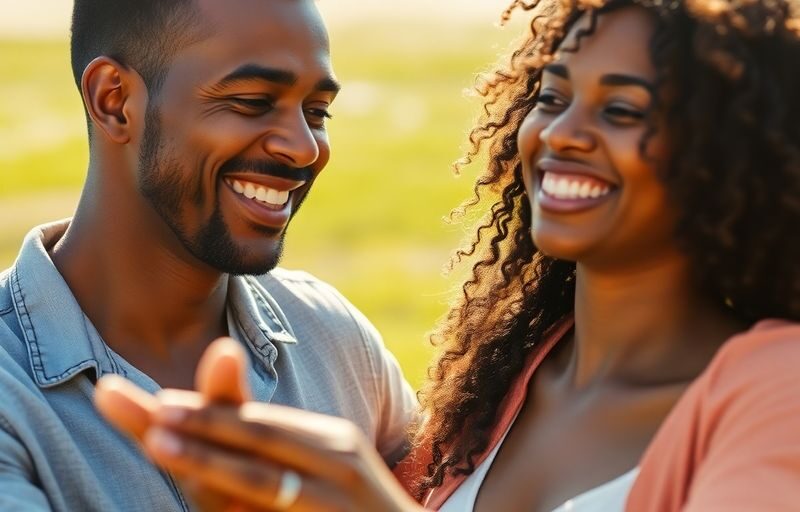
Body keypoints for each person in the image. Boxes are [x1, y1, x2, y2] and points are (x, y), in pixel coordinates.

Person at [97, 0, 800, 510]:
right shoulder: (504, 383)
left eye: (621, 111)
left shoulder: (777, 390)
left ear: (727, 155)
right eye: (553, 97)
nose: (563, 133)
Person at [0, 0, 415, 510]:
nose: (305, 148)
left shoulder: (335, 339)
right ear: (114, 100)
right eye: (252, 101)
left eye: (317, 112)